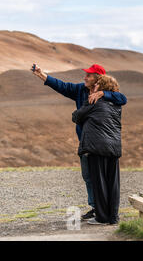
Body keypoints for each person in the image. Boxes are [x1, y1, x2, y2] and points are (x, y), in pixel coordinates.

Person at [31, 63, 127, 221]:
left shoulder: (109, 95)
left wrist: (103, 93)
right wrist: (42, 75)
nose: (85, 77)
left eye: (89, 75)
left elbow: (123, 98)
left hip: (96, 144)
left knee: (99, 178)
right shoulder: (80, 90)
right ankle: (97, 207)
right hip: (89, 142)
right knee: (89, 176)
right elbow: (62, 86)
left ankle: (102, 212)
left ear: (97, 79)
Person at [72, 75, 123, 225]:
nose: (94, 87)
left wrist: (89, 100)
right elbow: (122, 98)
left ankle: (101, 217)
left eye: (98, 84)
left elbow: (76, 116)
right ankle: (113, 218)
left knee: (99, 183)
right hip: (113, 148)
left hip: (96, 147)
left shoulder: (94, 101)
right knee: (113, 184)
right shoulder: (116, 104)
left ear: (102, 87)